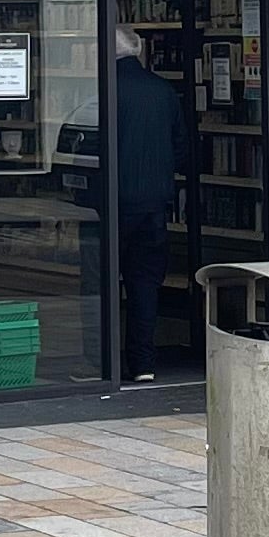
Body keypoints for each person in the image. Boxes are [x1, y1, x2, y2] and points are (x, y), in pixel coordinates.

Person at [108, 24, 193, 377]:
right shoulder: (163, 91)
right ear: (139, 50)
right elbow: (181, 148)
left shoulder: (103, 90)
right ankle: (143, 362)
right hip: (154, 203)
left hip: (112, 203)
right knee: (145, 283)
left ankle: (103, 363)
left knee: (102, 282)